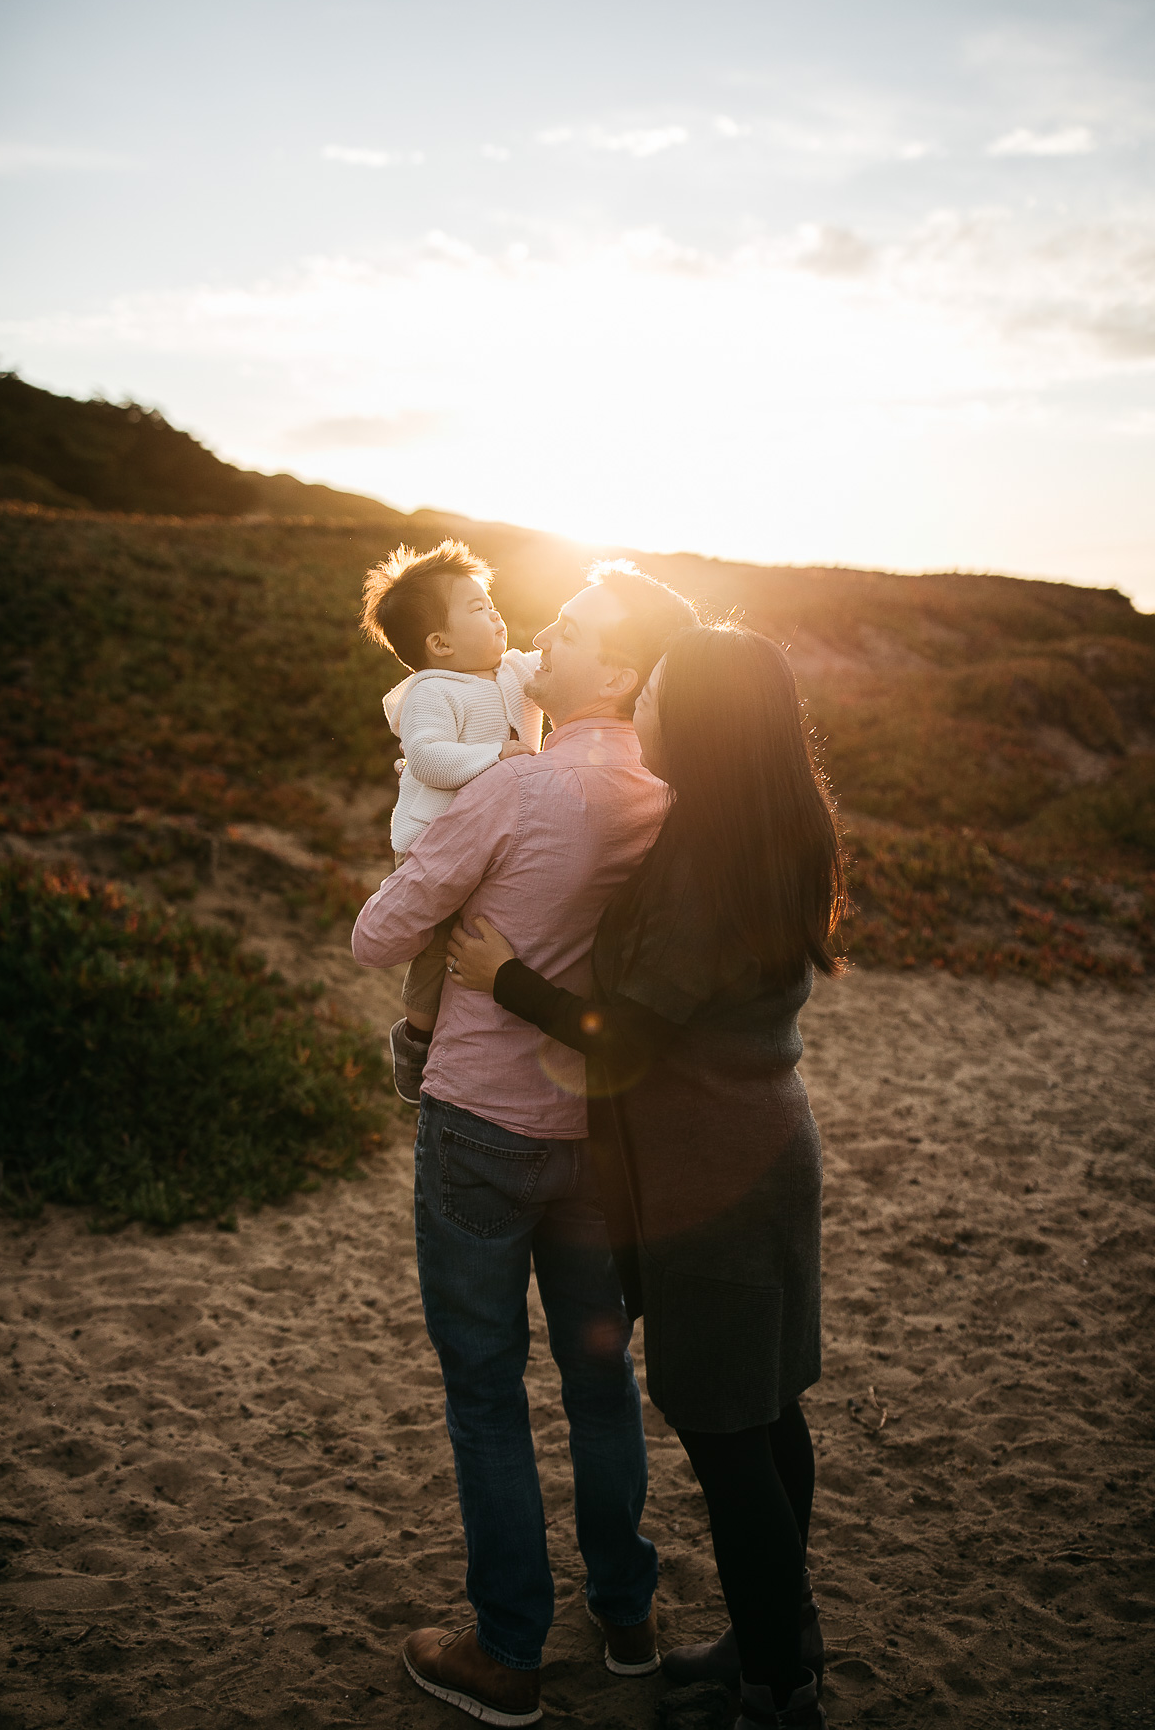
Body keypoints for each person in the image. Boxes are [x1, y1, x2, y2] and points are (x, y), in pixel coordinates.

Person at [446, 624, 846, 1730]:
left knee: (727, 1445)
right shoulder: (764, 826)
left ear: (704, 722)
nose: (645, 709)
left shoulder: (705, 867)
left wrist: (505, 976)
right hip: (768, 1155)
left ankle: (775, 1687)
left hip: (710, 1181)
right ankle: (784, 1638)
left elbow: (622, 1032)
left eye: (661, 693)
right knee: (767, 1420)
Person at [352, 562, 700, 1728]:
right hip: (599, 1129)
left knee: (489, 1395)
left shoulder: (516, 788)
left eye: (574, 626)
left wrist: (433, 901)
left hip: (483, 1126)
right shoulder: (664, 793)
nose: (545, 632)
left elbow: (378, 932)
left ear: (619, 669)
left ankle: (507, 1652)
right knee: (603, 1384)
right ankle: (628, 1614)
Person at [358, 539, 543, 1104]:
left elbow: (565, 668)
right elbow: (430, 758)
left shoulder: (512, 670)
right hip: (432, 840)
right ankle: (416, 1040)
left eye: (493, 603)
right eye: (478, 609)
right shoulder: (432, 692)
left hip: (496, 837)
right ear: (439, 643)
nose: (496, 616)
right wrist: (494, 758)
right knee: (439, 945)